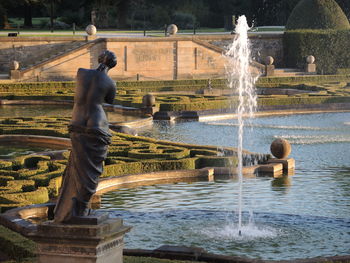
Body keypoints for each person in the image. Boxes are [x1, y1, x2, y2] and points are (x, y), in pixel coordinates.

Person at [54, 50, 117, 223]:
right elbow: (109, 101)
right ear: (113, 65)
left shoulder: (81, 72)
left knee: (77, 167)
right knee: (91, 172)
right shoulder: (111, 83)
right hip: (97, 124)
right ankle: (80, 210)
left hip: (77, 121)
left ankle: (71, 210)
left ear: (98, 59)